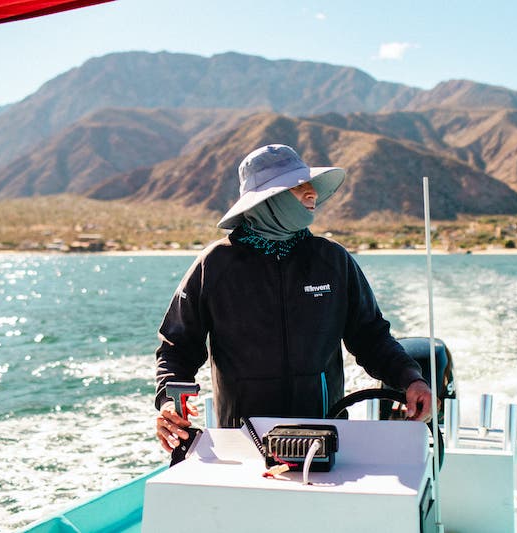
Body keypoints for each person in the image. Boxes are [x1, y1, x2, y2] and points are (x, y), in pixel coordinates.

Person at [154, 144, 432, 453]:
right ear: (267, 199)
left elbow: (371, 337)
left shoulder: (333, 259)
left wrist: (410, 378)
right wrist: (169, 401)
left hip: (325, 434)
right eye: (298, 186)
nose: (312, 192)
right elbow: (176, 348)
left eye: (310, 184)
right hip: (245, 441)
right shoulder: (215, 265)